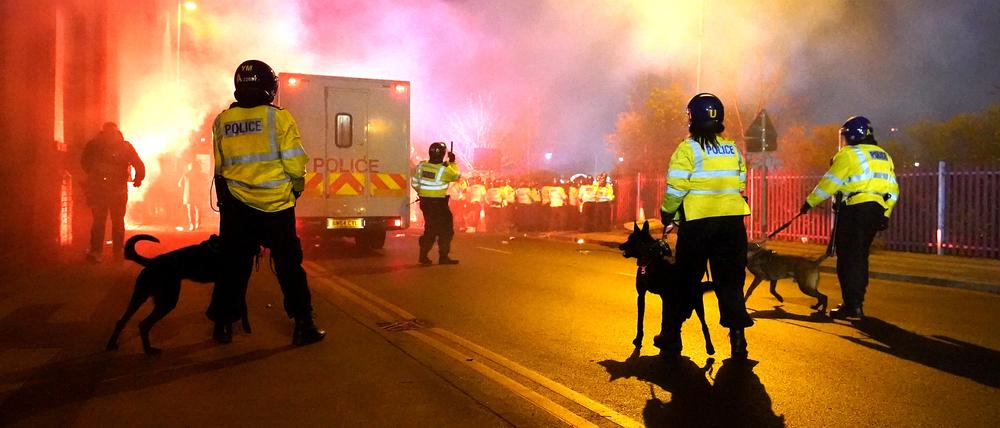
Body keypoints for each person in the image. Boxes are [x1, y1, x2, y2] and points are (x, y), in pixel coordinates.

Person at [208, 59, 325, 346]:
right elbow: (295, 163)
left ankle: (223, 325)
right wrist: (297, 188)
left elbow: (220, 168)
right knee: (289, 267)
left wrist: (228, 201)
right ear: (270, 88)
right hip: (276, 207)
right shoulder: (279, 118)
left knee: (232, 266)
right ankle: (303, 324)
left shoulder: (222, 121)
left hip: (236, 208)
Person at [660, 93, 752, 359]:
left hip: (698, 225)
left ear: (691, 118)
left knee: (685, 280)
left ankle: (671, 335)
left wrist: (667, 213)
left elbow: (676, 188)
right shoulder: (732, 149)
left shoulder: (687, 150)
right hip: (732, 225)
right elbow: (740, 183)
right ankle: (738, 340)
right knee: (731, 282)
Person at [800, 116, 898, 320]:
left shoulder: (849, 154)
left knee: (847, 259)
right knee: (860, 257)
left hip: (854, 210)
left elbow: (830, 183)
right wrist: (885, 213)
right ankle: (857, 303)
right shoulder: (884, 156)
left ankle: (852, 306)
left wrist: (810, 202)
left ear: (852, 135)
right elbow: (893, 189)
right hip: (875, 211)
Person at [81, 122, 145, 263]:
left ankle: (97, 252)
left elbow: (84, 162)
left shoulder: (94, 144)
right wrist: (138, 178)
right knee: (116, 221)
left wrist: (94, 174)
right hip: (116, 190)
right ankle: (117, 252)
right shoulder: (124, 146)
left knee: (100, 221)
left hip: (101, 189)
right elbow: (138, 164)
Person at [411, 142, 461, 265]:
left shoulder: (422, 166)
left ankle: (423, 255)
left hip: (425, 203)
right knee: (446, 230)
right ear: (443, 154)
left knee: (430, 229)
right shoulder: (444, 169)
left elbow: (415, 183)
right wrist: (452, 162)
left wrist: (423, 193)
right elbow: (456, 176)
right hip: (439, 204)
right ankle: (443, 256)